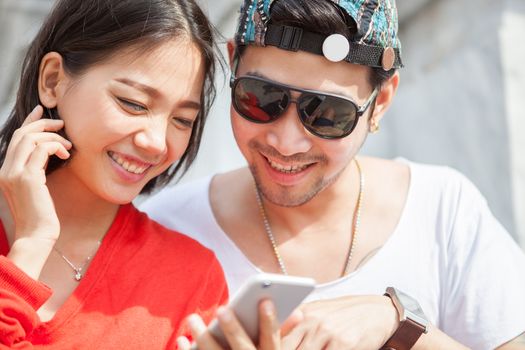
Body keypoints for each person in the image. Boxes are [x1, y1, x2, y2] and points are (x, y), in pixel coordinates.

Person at [141, 0, 525, 349]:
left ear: (382, 102)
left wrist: (398, 324)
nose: (287, 142)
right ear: (232, 65)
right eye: (260, 98)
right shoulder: (164, 229)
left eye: (327, 114)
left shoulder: (443, 211)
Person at [0, 0, 239, 347]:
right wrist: (32, 244)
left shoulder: (190, 280)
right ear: (53, 80)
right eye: (133, 103)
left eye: (182, 120)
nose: (157, 143)